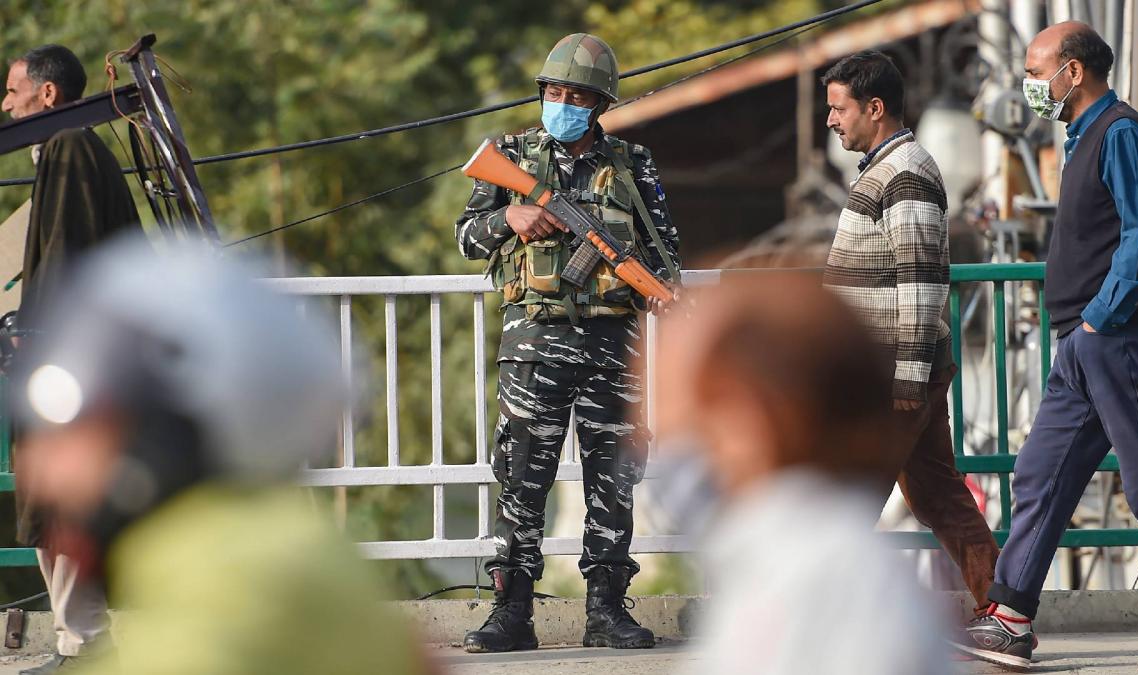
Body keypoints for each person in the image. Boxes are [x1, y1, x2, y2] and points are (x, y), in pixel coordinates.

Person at [13, 237, 432, 675]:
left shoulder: (224, 613)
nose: (41, 469)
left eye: (82, 433)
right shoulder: (305, 555)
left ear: (162, 440)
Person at [954, 23, 1138, 674]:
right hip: (1085, 346)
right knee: (1040, 471)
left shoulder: (1118, 132)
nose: (1030, 86)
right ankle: (1010, 617)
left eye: (1037, 72)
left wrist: (1098, 319)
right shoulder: (1084, 137)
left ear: (1074, 72)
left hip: (1116, 339)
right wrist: (1085, 330)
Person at [454, 33, 680, 653]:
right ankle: (512, 612)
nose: (563, 102)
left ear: (600, 104)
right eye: (554, 91)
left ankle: (607, 609)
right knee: (522, 478)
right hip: (533, 344)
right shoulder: (511, 156)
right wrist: (510, 218)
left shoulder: (633, 166)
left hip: (613, 345)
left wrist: (658, 287)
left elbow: (666, 255)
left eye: (577, 95)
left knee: (614, 480)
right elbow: (467, 237)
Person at [652, 270, 951, 675]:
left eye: (689, 413)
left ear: (752, 417)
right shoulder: (777, 559)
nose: (666, 443)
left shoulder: (821, 572)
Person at [820, 50, 999, 613]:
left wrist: (905, 383)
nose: (831, 120)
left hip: (894, 373)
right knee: (938, 495)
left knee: (845, 499)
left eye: (838, 108)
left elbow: (921, 284)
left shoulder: (906, 173)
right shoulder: (887, 168)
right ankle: (1005, 611)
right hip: (894, 371)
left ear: (875, 109)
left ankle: (815, 621)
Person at [2, 44, 144, 675]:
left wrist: (31, 334)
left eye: (12, 91)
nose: (5, 104)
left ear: (47, 95)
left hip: (73, 366)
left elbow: (63, 260)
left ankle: (83, 643)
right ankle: (79, 637)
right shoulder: (68, 150)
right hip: (78, 358)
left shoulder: (67, 149)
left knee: (61, 498)